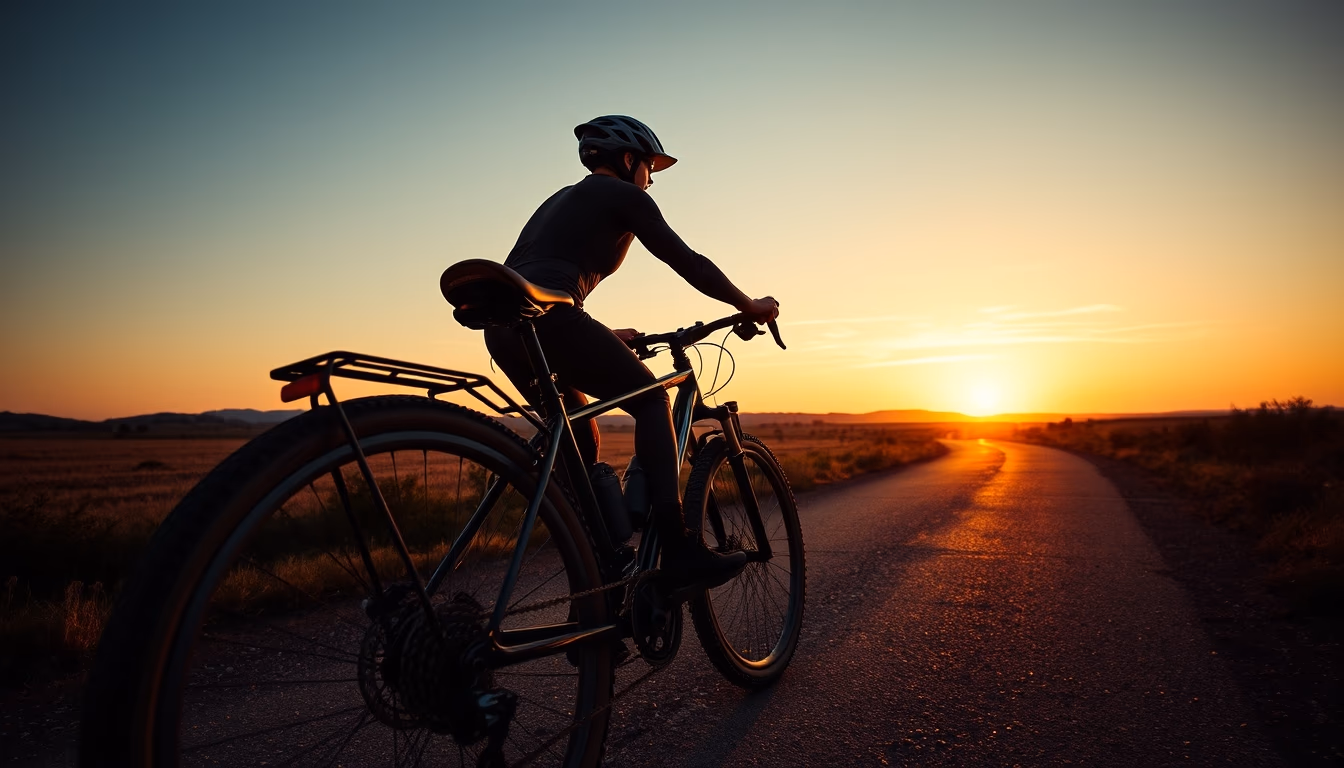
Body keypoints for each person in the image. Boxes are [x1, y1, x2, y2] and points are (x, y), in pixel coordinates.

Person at [482, 115, 779, 592]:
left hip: (508, 327)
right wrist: (750, 305)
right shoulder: (625, 195)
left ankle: (600, 572)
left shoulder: (559, 200)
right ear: (628, 161)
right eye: (649, 167)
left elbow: (546, 276)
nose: (651, 178)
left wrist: (597, 332)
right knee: (651, 400)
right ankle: (681, 549)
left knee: (582, 442)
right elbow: (688, 261)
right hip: (551, 320)